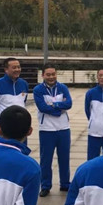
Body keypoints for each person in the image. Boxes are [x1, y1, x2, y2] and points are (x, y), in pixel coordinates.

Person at [33, 63, 72, 197]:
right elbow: (42, 107)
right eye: (48, 74)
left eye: (53, 74)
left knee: (64, 158)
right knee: (46, 159)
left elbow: (69, 104)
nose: (51, 77)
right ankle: (45, 185)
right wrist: (59, 109)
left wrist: (53, 105)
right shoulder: (38, 90)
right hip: (47, 129)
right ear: (43, 75)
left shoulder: (62, 87)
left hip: (63, 128)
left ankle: (65, 184)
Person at [0, 57, 28, 131]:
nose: (17, 70)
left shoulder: (24, 84)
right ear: (6, 69)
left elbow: (23, 102)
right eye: (14, 67)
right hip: (2, 128)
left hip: (20, 128)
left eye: (18, 67)